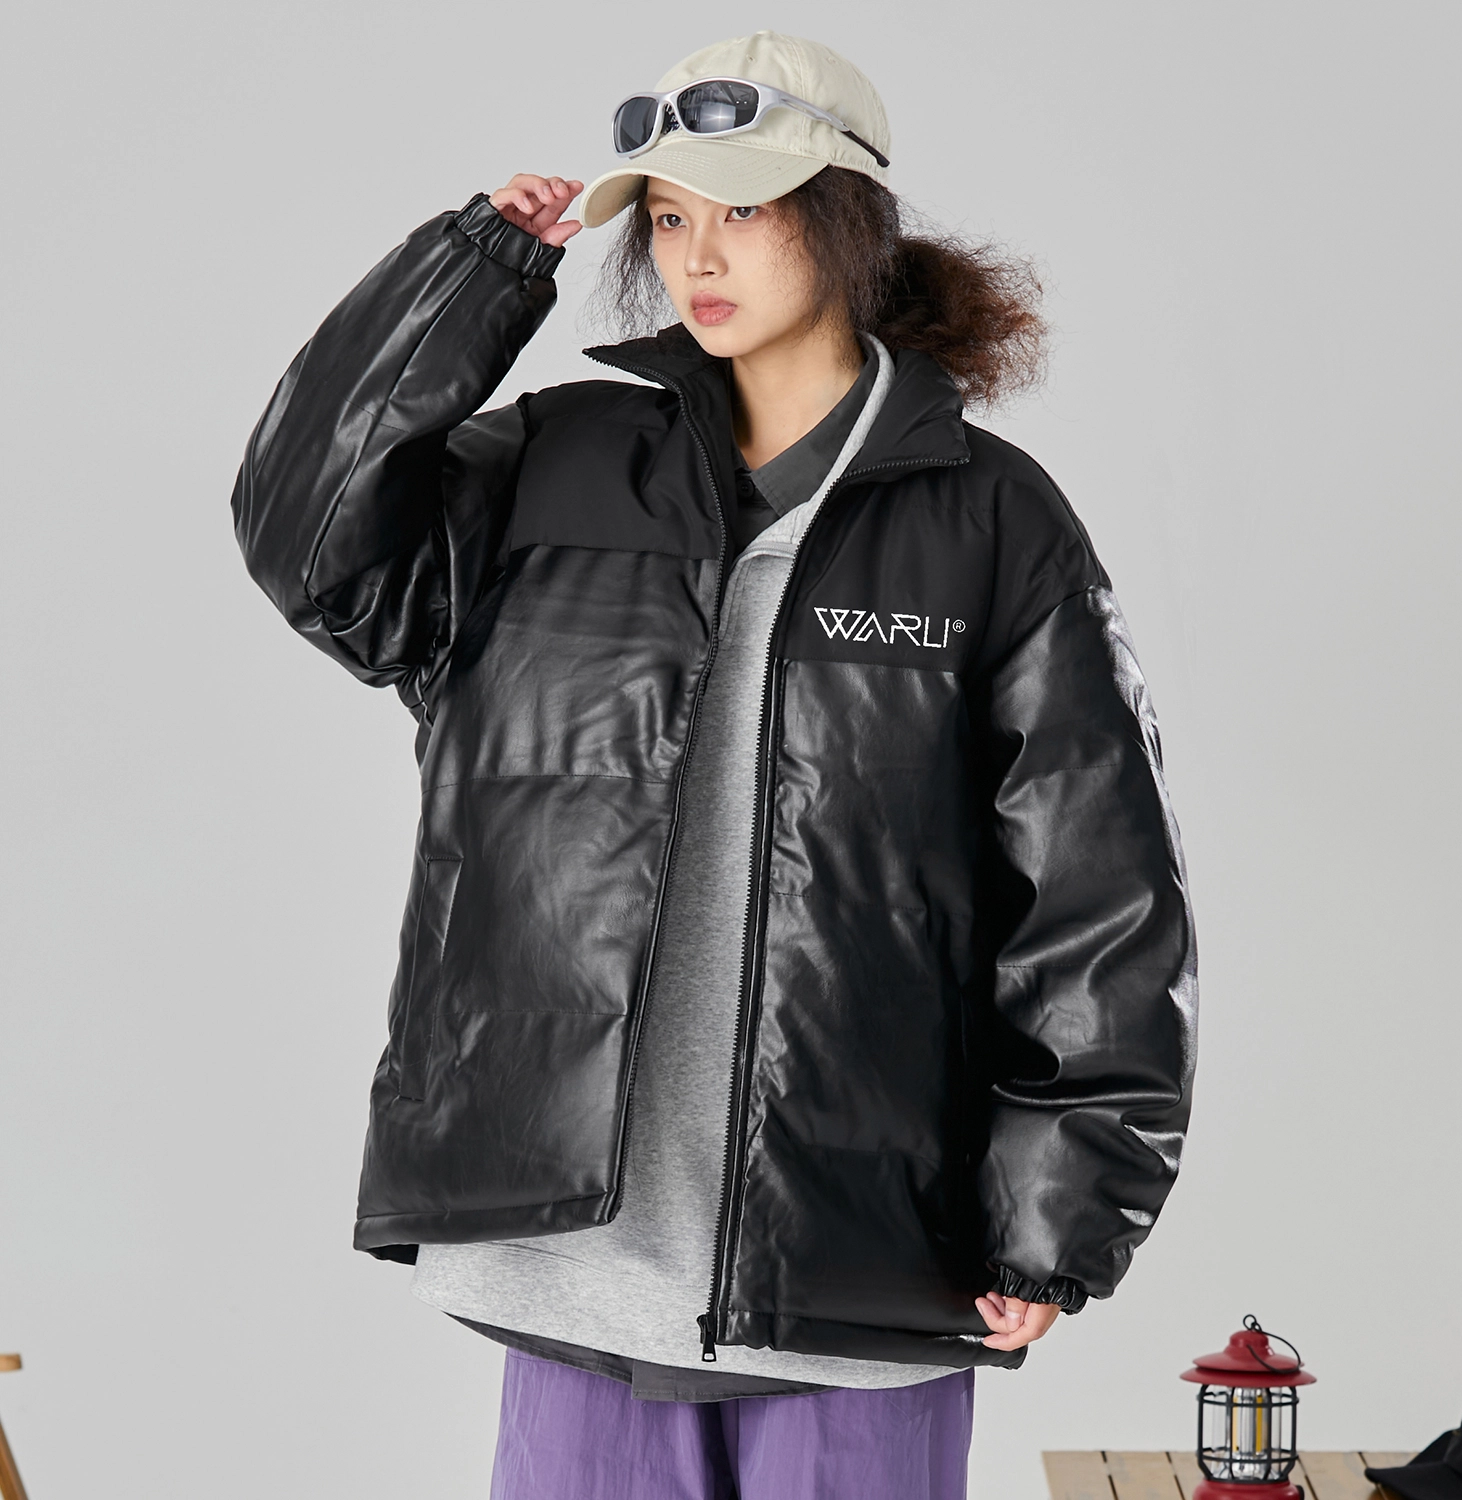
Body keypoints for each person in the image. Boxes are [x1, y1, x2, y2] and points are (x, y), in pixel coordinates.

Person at [232, 29, 1197, 1500]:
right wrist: (469, 275)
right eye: (672, 216)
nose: (697, 253)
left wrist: (1059, 1209)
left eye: (744, 207)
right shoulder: (553, 464)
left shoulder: (993, 522)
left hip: (862, 1254)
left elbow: (1098, 893)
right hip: (576, 1251)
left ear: (850, 219)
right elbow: (311, 546)